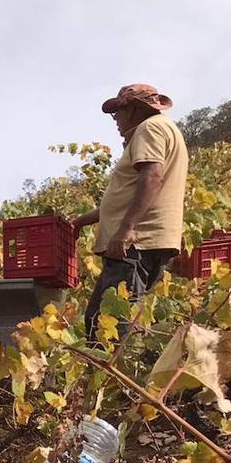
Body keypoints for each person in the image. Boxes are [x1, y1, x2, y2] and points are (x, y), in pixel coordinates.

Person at [73, 84, 188, 342]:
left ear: (135, 108)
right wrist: (81, 221)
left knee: (112, 322)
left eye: (118, 113)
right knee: (98, 317)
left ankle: (120, 380)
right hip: (143, 242)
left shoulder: (150, 128)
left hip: (135, 244)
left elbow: (152, 177)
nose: (115, 121)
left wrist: (125, 231)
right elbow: (127, 195)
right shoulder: (163, 130)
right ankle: (112, 377)